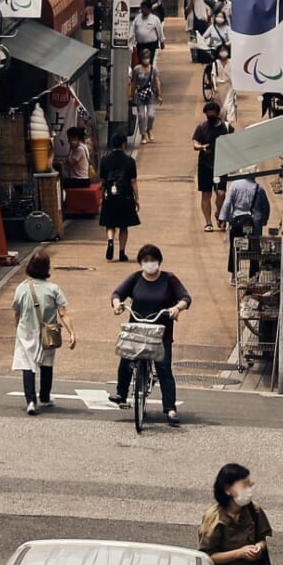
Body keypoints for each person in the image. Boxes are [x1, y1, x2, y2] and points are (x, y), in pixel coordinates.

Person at [108, 244, 191, 424]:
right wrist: (117, 304)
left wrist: (177, 308)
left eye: (152, 260)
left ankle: (170, 409)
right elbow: (117, 293)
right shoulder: (136, 278)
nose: (149, 264)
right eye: (145, 260)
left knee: (163, 368)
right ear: (140, 262)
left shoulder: (169, 279)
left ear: (159, 261)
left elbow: (185, 298)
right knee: (126, 361)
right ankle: (121, 394)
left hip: (161, 333)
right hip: (137, 331)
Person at [11, 252, 75, 416]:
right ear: (47, 268)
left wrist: (17, 327)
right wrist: (72, 333)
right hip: (48, 332)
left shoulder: (22, 288)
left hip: (26, 331)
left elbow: (17, 311)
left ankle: (31, 401)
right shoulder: (53, 289)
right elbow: (63, 313)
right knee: (47, 364)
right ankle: (45, 396)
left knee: (28, 365)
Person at [199, 463, 272, 565]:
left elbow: (262, 538)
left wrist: (259, 547)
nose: (249, 489)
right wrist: (239, 553)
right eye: (245, 485)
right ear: (228, 489)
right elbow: (208, 556)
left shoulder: (254, 510)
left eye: (250, 484)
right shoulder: (214, 518)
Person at [98, 133, 141, 262]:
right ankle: (122, 253)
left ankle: (110, 240)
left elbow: (102, 181)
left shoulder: (105, 160)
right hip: (125, 196)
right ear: (124, 144)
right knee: (124, 225)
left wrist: (101, 198)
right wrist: (137, 198)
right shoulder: (129, 161)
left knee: (110, 223)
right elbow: (133, 181)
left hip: (109, 195)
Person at [219, 172, 271, 278]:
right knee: (254, 248)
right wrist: (264, 220)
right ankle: (254, 275)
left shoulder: (235, 185)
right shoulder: (259, 189)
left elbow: (228, 202)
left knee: (235, 247)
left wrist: (223, 219)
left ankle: (234, 274)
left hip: (237, 221)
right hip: (254, 224)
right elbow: (266, 207)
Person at [191, 100, 233, 231]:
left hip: (221, 165)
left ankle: (220, 214)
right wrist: (202, 147)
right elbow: (195, 144)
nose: (209, 116)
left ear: (217, 113)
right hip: (205, 165)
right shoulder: (201, 127)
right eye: (207, 113)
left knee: (221, 193)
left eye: (212, 113)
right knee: (206, 194)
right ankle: (208, 222)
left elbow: (234, 142)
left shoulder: (226, 127)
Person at [129, 50, 162, 144]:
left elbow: (157, 81)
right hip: (139, 94)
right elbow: (134, 82)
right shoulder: (137, 69)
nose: (146, 59)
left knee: (151, 115)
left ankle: (149, 129)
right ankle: (143, 134)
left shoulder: (154, 69)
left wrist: (159, 95)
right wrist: (131, 95)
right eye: (144, 57)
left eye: (147, 57)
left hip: (151, 94)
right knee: (141, 115)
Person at [205, 42, 238, 126]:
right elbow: (213, 75)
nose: (224, 52)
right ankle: (222, 124)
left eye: (225, 50)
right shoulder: (215, 63)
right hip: (219, 88)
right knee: (220, 107)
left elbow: (234, 75)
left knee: (229, 106)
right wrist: (215, 86)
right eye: (222, 50)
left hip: (229, 87)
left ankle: (229, 123)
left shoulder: (231, 62)